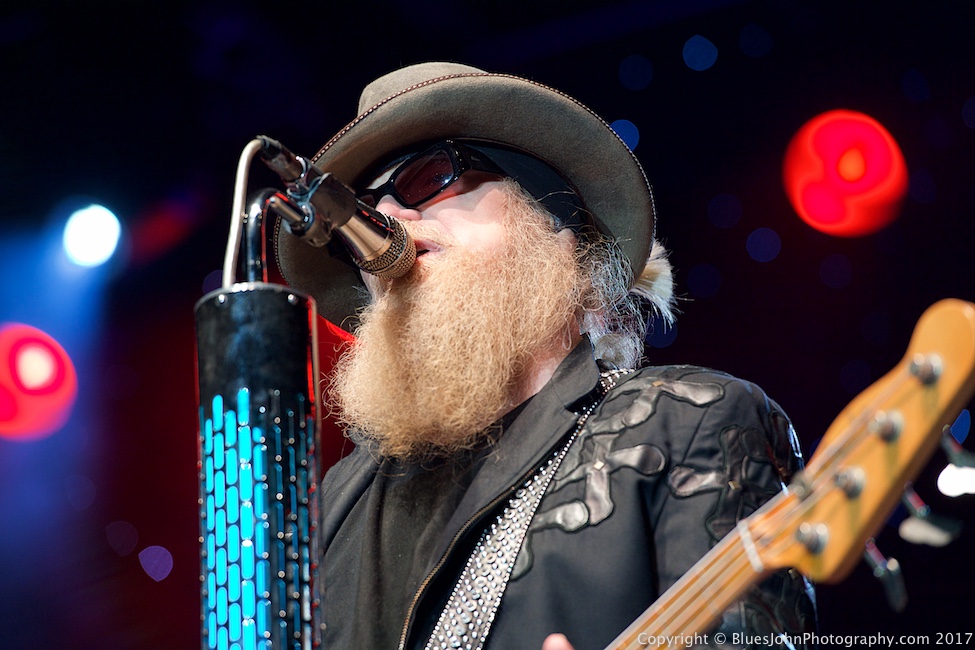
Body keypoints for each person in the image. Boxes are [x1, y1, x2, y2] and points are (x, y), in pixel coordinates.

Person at [276, 62, 817, 650]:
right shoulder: (328, 507)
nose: (387, 221)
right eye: (362, 209)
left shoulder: (689, 423)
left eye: (429, 177)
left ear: (558, 222)